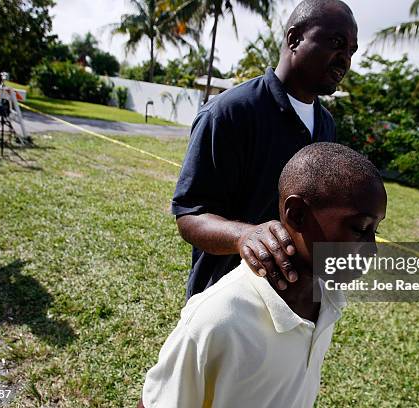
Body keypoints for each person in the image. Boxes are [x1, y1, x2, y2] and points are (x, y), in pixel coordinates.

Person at [140, 143, 387, 408]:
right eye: (360, 229)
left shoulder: (327, 298)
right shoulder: (218, 319)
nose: (371, 248)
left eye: (375, 229)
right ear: (297, 215)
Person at [172, 0, 358, 299]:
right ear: (294, 39)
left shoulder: (326, 125)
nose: (345, 59)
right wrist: (245, 235)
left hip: (294, 301)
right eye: (337, 43)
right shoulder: (229, 112)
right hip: (227, 301)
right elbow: (190, 215)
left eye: (351, 51)